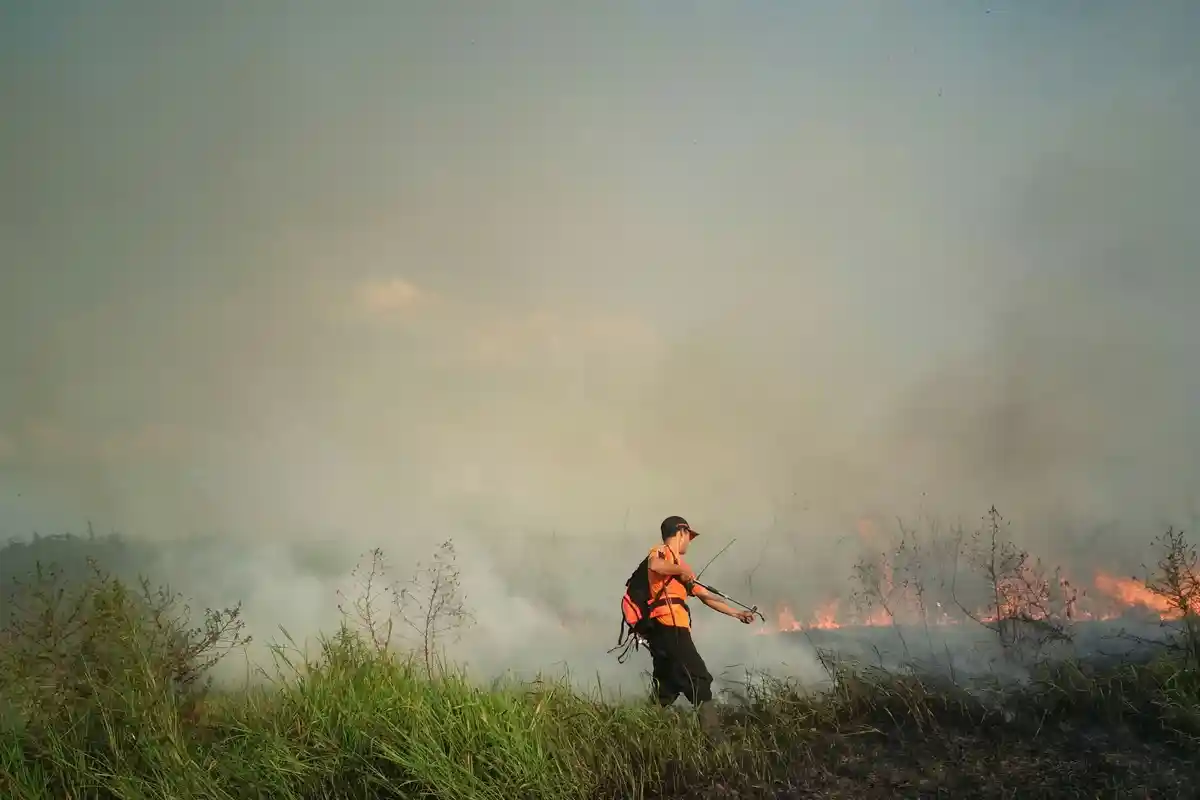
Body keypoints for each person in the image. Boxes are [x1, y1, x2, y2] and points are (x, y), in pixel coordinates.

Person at [644, 515, 756, 738]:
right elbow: (654, 564)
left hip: (665, 632)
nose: (689, 542)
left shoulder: (682, 567)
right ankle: (715, 740)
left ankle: (642, 731)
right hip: (670, 626)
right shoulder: (661, 552)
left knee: (667, 687)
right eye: (689, 536)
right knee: (699, 677)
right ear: (681, 532)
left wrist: (737, 613)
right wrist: (679, 571)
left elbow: (706, 596)